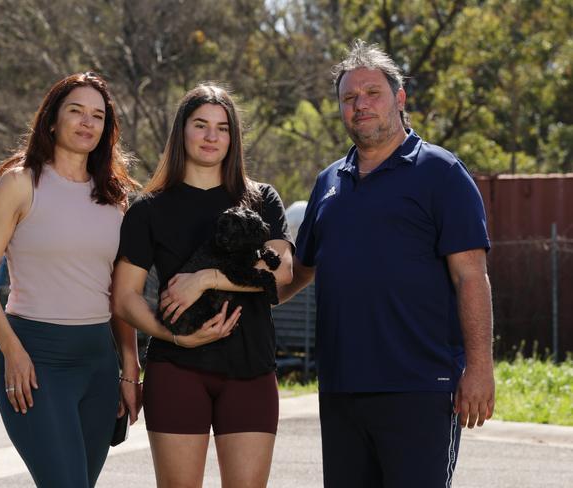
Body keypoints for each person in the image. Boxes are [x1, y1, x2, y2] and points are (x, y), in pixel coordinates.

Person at [278, 40, 495, 488]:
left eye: (372, 93)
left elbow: (471, 276)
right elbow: (300, 271)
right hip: (341, 389)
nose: (361, 105)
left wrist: (479, 368)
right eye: (349, 98)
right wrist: (238, 295)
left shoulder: (441, 173)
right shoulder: (328, 182)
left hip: (421, 386)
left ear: (399, 98)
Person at [112, 83, 294, 488]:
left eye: (223, 127)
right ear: (182, 132)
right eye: (201, 125)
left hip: (250, 369)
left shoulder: (260, 199)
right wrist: (176, 339)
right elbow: (124, 298)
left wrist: (207, 279)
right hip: (177, 371)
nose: (212, 136)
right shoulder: (149, 208)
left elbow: (281, 275)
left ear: (234, 137)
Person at [0, 72, 140, 488]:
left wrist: (129, 370)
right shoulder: (19, 184)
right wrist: (12, 349)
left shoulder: (114, 199)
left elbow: (121, 293)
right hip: (35, 359)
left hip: (98, 362)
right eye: (76, 111)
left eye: (98, 115)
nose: (87, 122)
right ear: (52, 120)